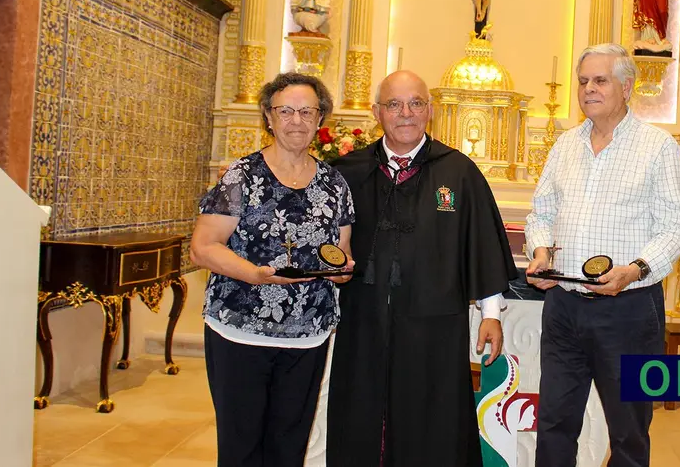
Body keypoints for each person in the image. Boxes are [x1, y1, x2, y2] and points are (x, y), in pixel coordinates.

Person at [326, 70, 517, 467]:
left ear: (429, 110)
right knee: (359, 412)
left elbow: (480, 243)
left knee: (433, 419)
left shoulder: (458, 172)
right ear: (378, 112)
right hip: (363, 321)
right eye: (394, 104)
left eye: (415, 103)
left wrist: (491, 315)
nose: (405, 113)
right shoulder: (347, 172)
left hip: (434, 324)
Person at [525, 43, 680, 467]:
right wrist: (541, 251)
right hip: (563, 307)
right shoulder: (564, 145)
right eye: (583, 81)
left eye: (600, 80)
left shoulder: (658, 147)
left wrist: (635, 270)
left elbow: (676, 227)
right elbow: (541, 212)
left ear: (627, 87)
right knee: (555, 422)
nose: (588, 89)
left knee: (629, 431)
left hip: (629, 311)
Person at [190, 72, 355, 467]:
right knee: (242, 445)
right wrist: (254, 274)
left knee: (288, 447)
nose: (296, 120)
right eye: (286, 111)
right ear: (268, 116)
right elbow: (202, 248)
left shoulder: (335, 184)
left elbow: (341, 254)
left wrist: (343, 272)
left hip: (306, 336)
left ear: (320, 120)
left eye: (306, 111)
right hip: (240, 331)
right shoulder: (241, 177)